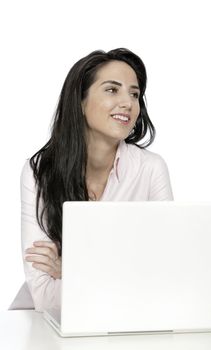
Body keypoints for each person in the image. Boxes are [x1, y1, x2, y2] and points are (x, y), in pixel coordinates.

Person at [18, 48, 173, 312]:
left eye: (134, 94)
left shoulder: (151, 169)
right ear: (80, 100)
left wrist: (69, 269)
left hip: (128, 323)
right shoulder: (40, 171)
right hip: (46, 328)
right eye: (112, 90)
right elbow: (44, 296)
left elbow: (166, 276)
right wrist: (126, 276)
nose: (128, 103)